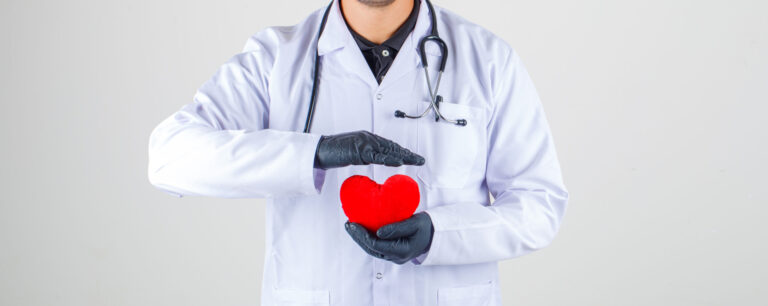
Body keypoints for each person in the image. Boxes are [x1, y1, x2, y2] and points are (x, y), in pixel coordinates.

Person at [147, 0, 569, 305]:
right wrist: (314, 153)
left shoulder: (489, 60)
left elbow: (540, 206)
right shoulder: (275, 59)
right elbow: (169, 157)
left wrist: (440, 235)